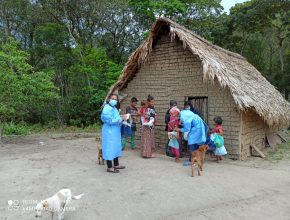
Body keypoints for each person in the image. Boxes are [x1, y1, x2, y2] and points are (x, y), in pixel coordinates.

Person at [101, 94, 127, 173]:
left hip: (115, 131)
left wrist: (122, 119)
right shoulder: (106, 108)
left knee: (115, 147)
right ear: (109, 99)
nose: (114, 100)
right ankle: (109, 167)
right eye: (112, 98)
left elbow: (116, 118)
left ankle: (116, 164)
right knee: (109, 148)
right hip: (109, 132)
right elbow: (109, 120)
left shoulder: (114, 108)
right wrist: (120, 118)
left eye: (116, 99)